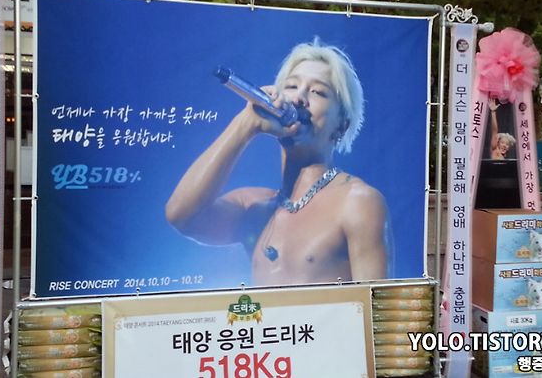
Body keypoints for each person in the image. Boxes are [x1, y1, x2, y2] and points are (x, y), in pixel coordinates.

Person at [165, 40, 389, 286]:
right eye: (291, 86)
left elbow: (377, 304)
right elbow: (181, 216)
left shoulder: (358, 201)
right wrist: (245, 124)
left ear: (341, 125)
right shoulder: (254, 207)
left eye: (317, 92)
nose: (299, 98)